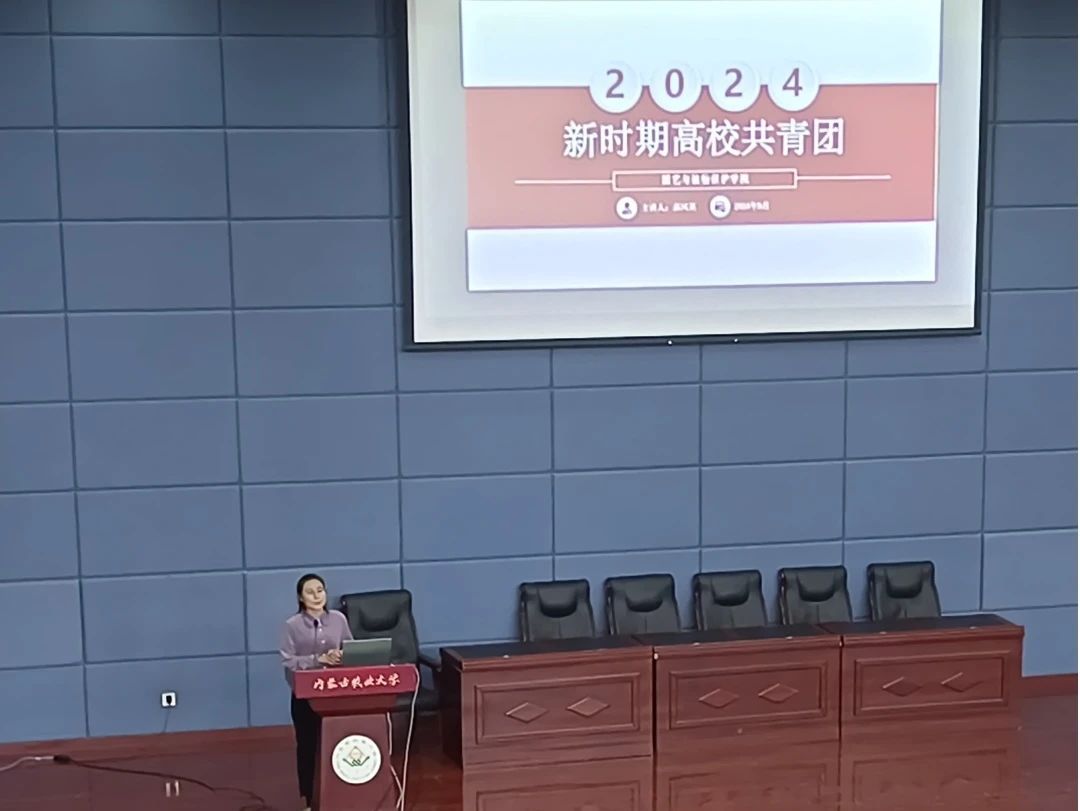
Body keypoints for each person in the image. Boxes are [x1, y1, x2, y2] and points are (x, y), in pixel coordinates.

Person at [280, 573, 353, 810]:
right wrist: (318, 660)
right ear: (301, 598)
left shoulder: (339, 619)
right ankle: (310, 799)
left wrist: (341, 655)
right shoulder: (292, 625)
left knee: (337, 742)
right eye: (310, 592)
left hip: (336, 692)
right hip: (306, 695)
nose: (316, 596)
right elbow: (288, 661)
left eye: (320, 590)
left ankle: (340, 795)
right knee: (308, 745)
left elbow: (351, 649)